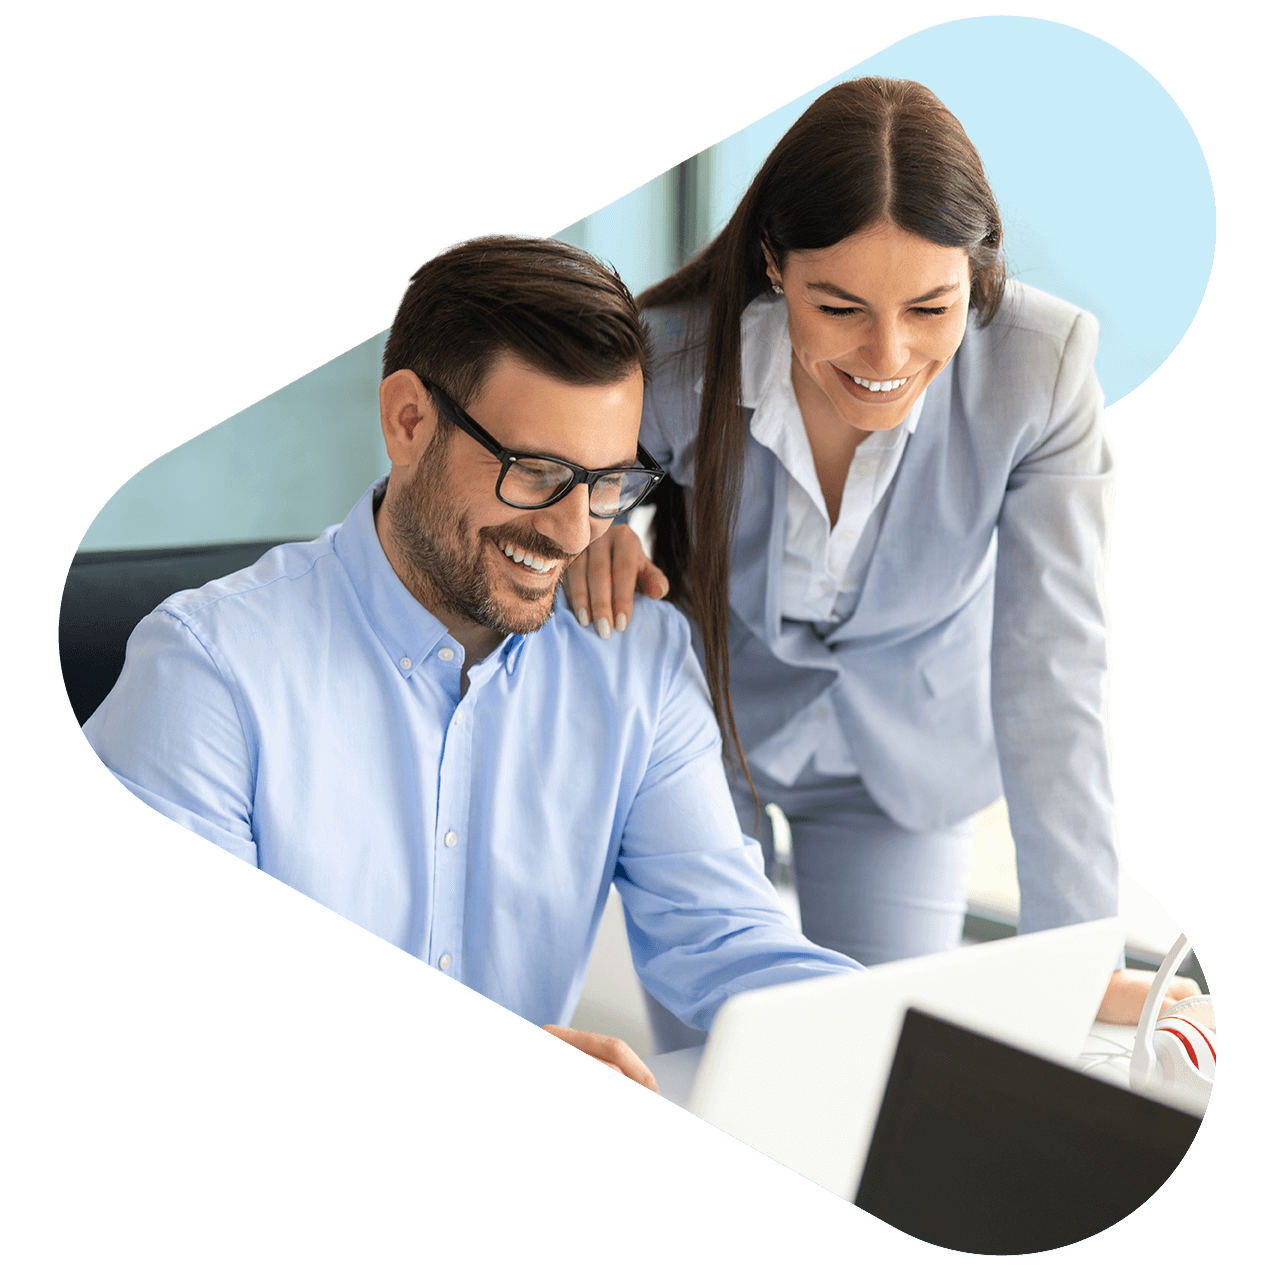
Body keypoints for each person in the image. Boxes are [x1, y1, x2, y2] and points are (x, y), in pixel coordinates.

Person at [80, 232, 867, 1089]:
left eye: (609, 484)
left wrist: (907, 1044)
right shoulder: (208, 673)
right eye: (536, 473)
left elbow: (726, 938)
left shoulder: (634, 662)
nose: (576, 532)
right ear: (408, 421)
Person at [563, 78, 1199, 1048]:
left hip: (906, 758)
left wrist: (1077, 955)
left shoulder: (1043, 366)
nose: (887, 352)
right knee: (720, 1050)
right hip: (709, 733)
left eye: (931, 308)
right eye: (839, 305)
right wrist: (593, 524)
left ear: (975, 274)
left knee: (870, 1062)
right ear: (775, 266)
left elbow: (1052, 670)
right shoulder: (677, 359)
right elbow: (570, 485)